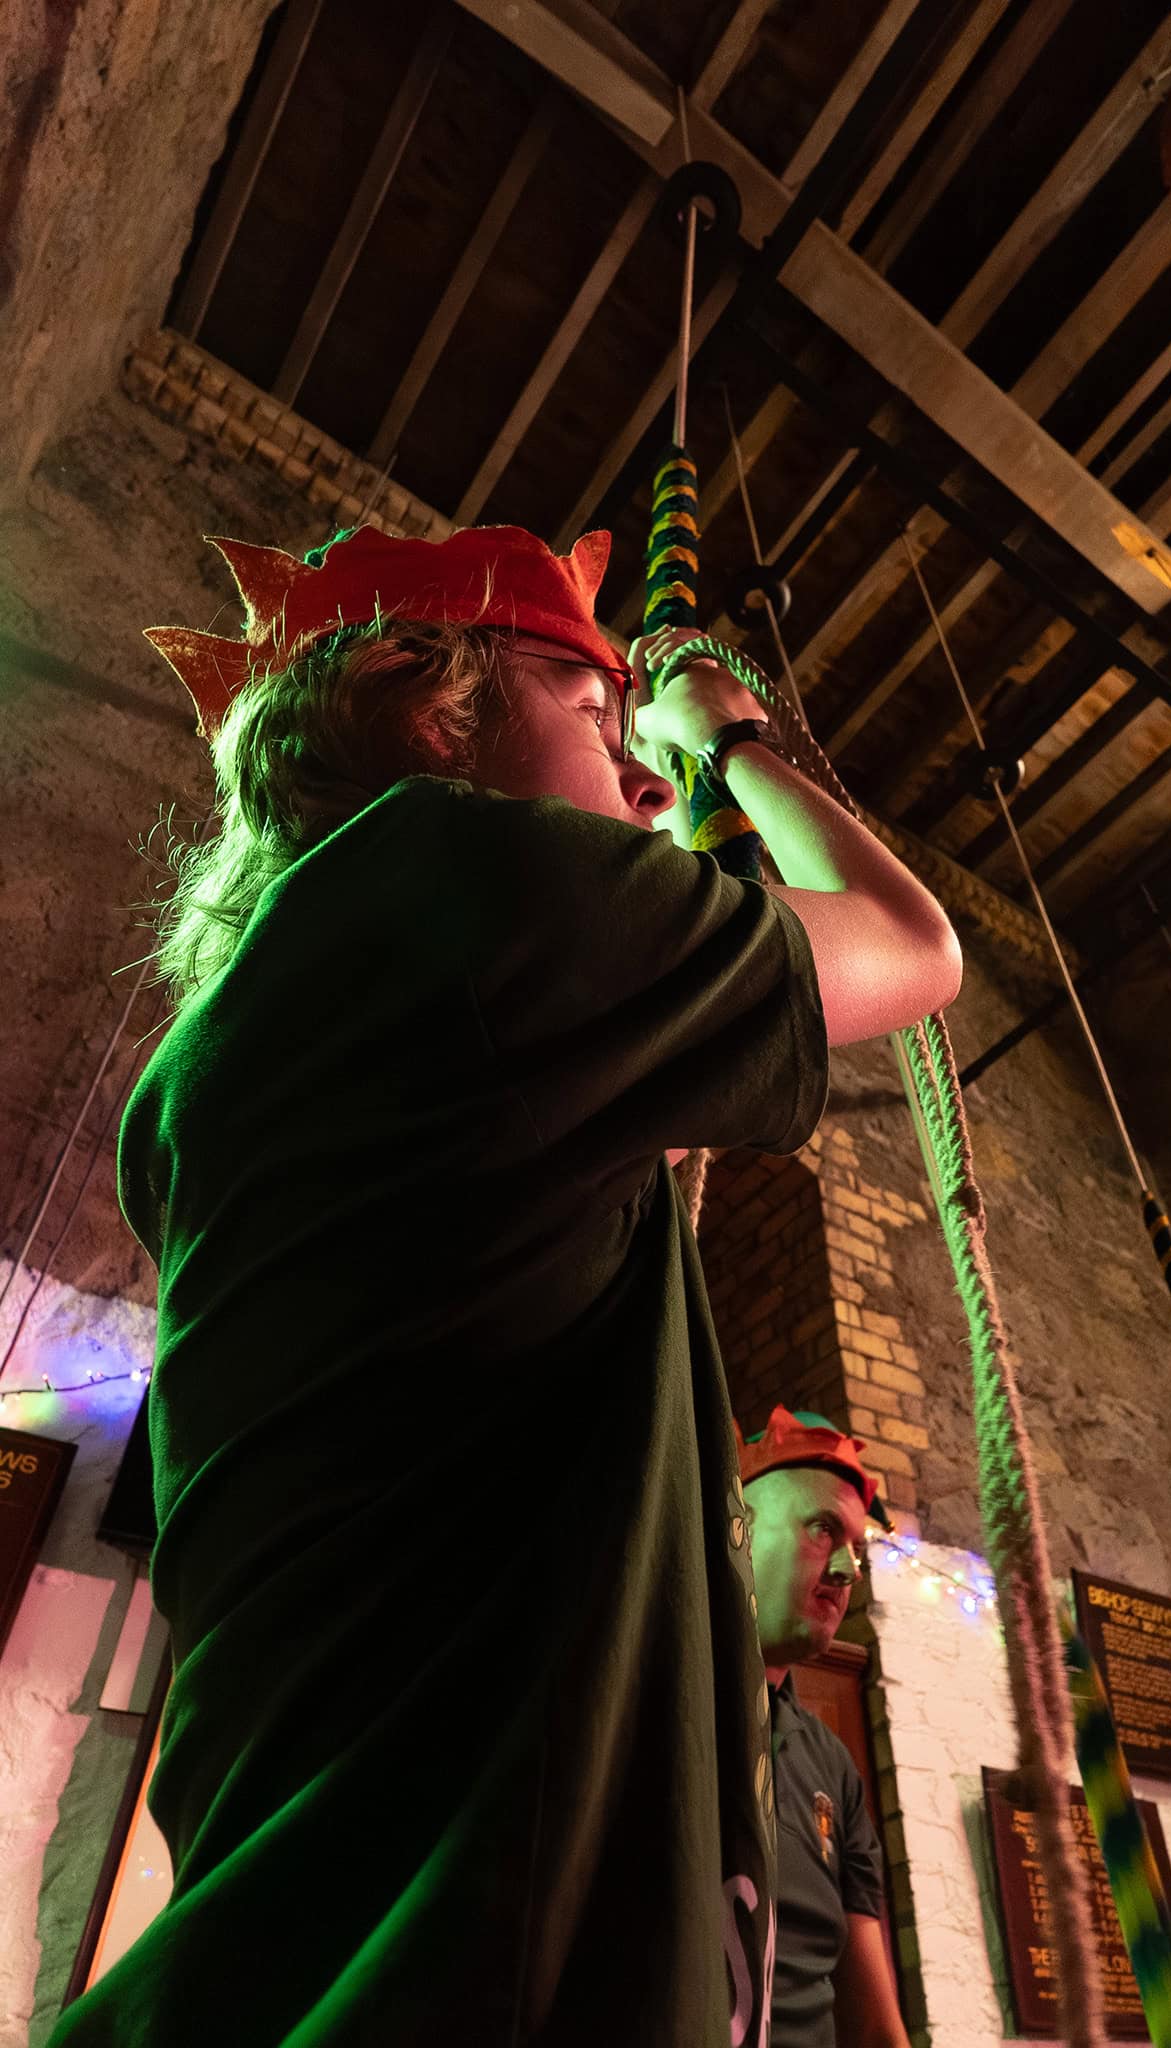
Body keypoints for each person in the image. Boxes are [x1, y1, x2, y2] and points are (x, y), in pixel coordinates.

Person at [50, 522, 961, 2048]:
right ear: (429, 707)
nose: (644, 783)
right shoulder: (476, 885)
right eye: (597, 716)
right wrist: (728, 735)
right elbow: (912, 950)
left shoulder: (247, 1040)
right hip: (481, 1954)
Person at [737, 1406, 913, 2048]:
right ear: (739, 1531)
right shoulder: (646, 1700)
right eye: (822, 1529)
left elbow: (874, 2026)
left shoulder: (833, 1766)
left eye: (857, 1551)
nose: (849, 1571)